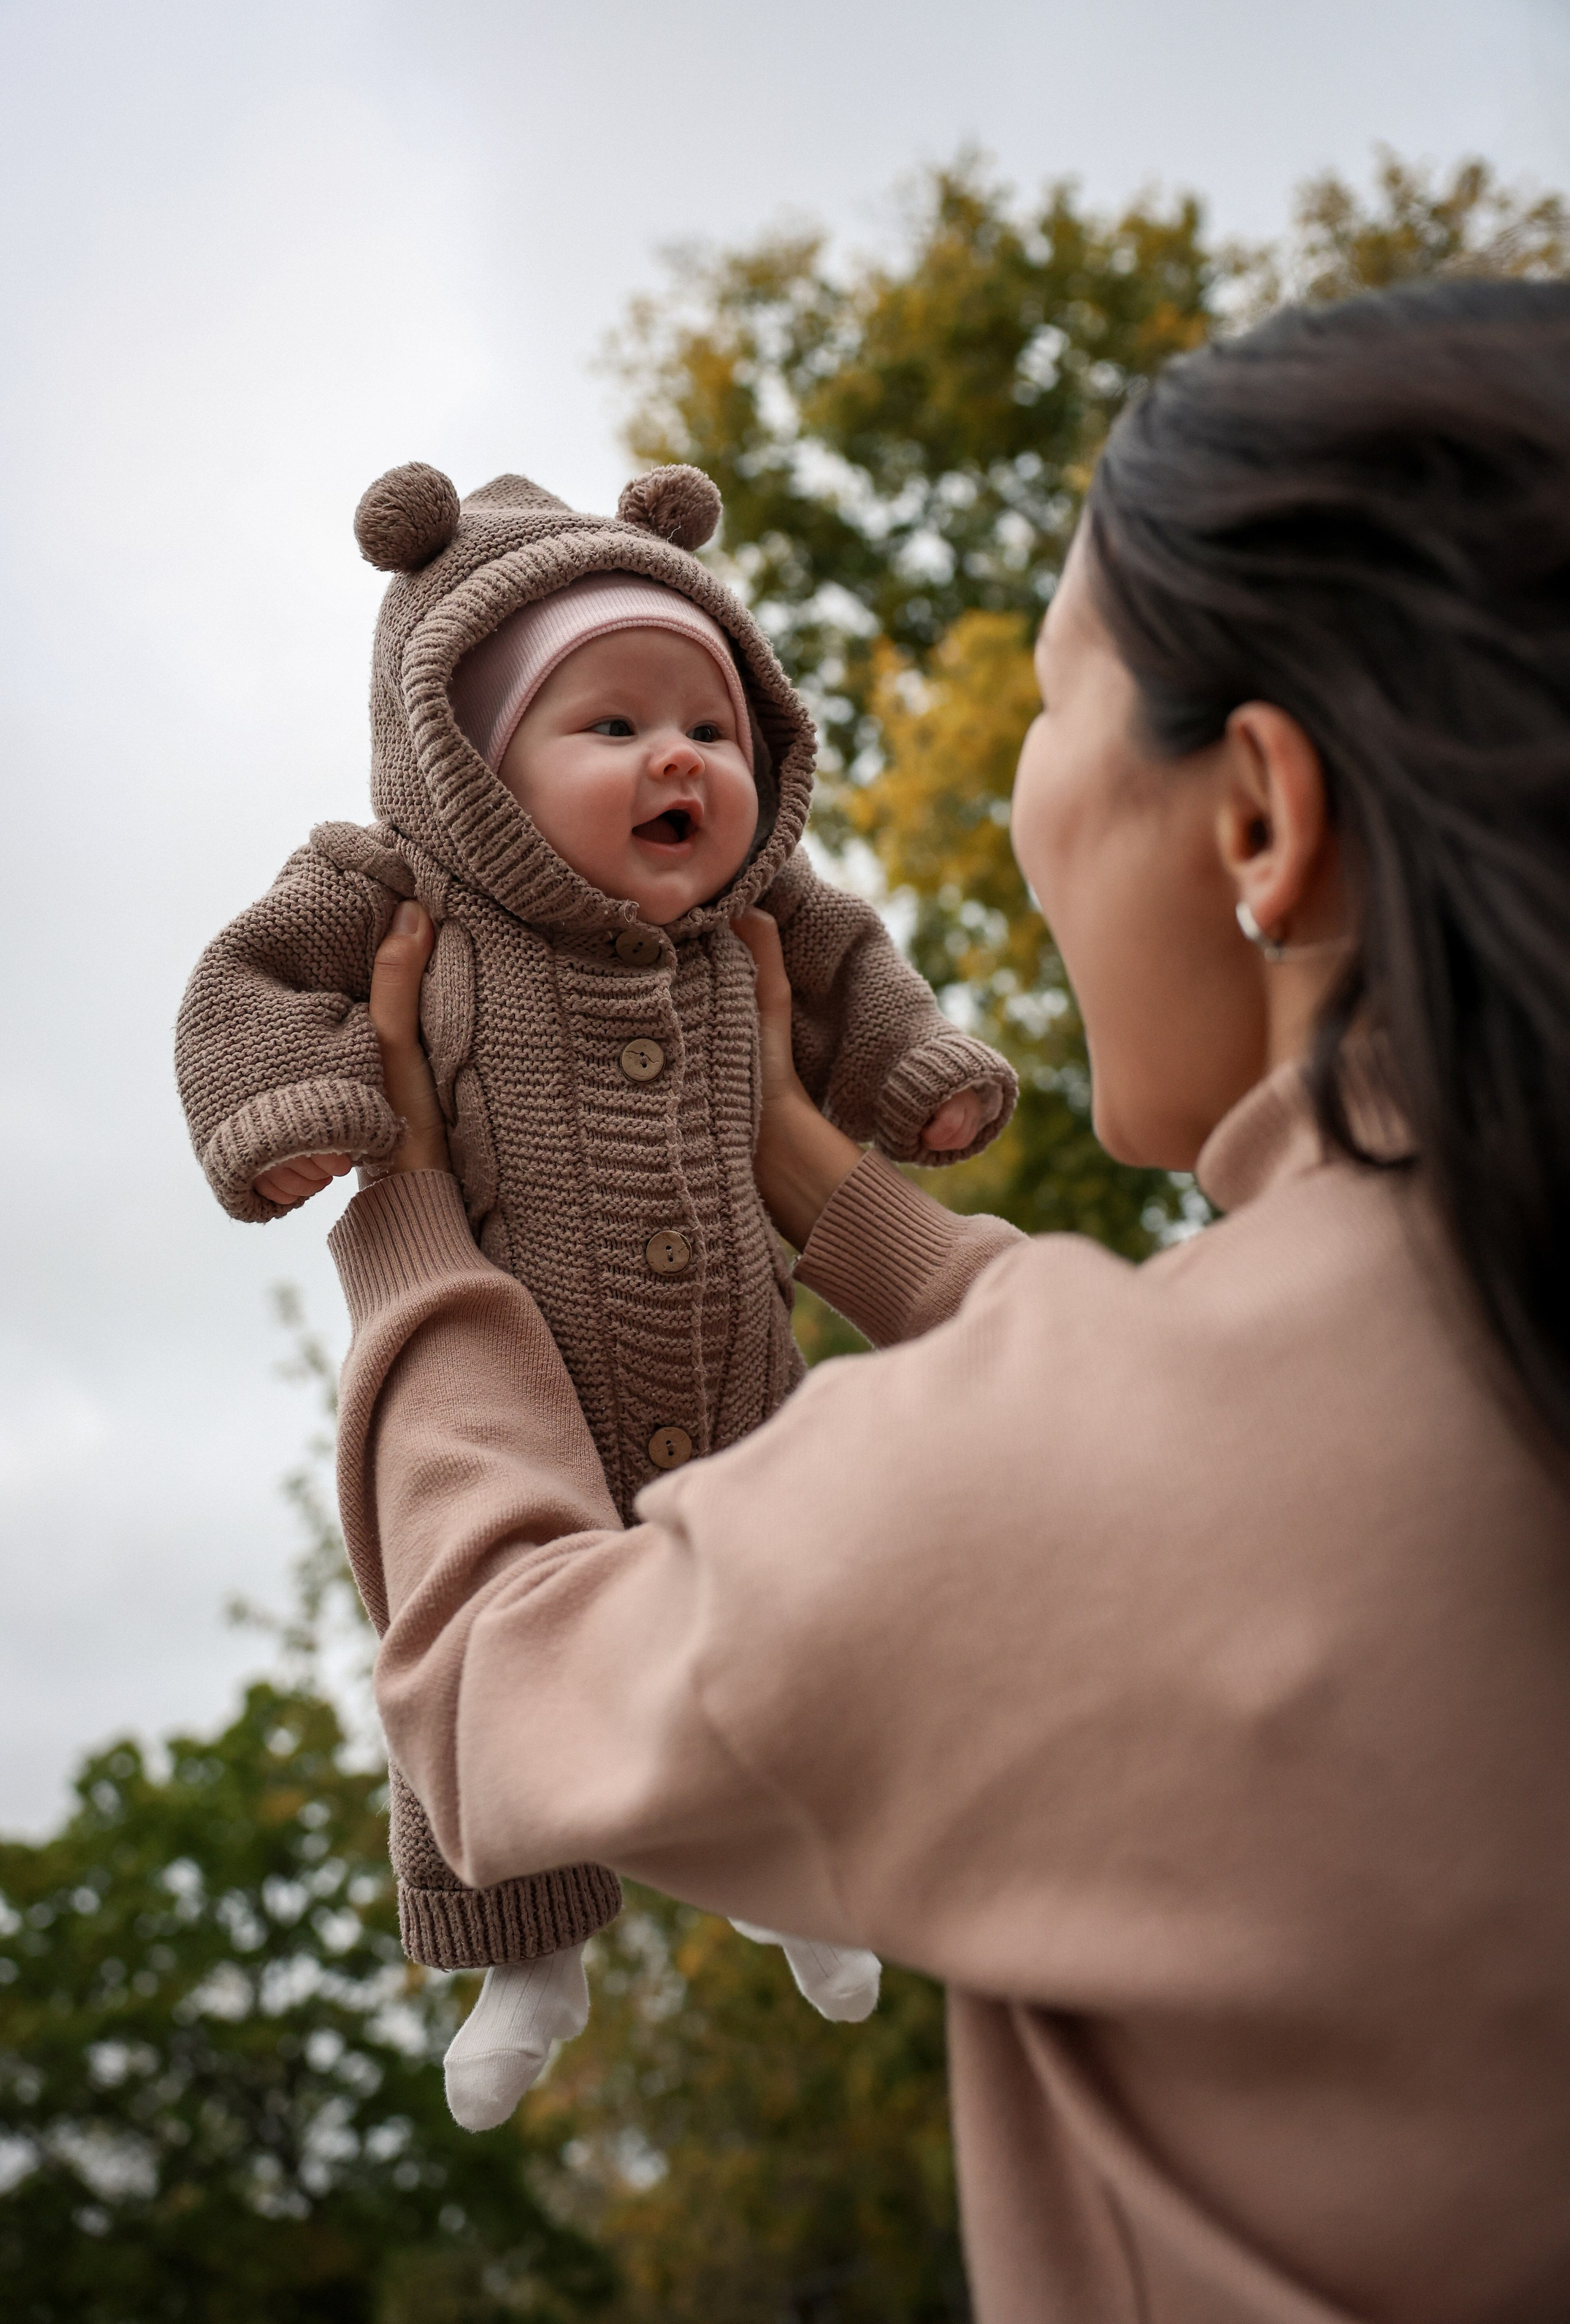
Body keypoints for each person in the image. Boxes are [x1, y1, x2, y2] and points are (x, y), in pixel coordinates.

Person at [326, 280, 1570, 2322]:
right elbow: (1183, 1405)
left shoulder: (1075, 1489)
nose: (1017, 798)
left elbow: (501, 1705)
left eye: (1055, 707)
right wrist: (809, 1161)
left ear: (1258, 813)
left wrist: (410, 1217)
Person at [173, 461, 1016, 2127]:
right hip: (523, 1383)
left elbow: (859, 979)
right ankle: (526, 1956)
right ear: (471, 777)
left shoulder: (762, 925)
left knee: (789, 1614)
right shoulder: (400, 902)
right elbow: (248, 979)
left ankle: (790, 1873)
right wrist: (290, 1114)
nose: (677, 758)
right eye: (610, 729)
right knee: (471, 1649)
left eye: (708, 724)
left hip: (737, 1374)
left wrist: (913, 1078)